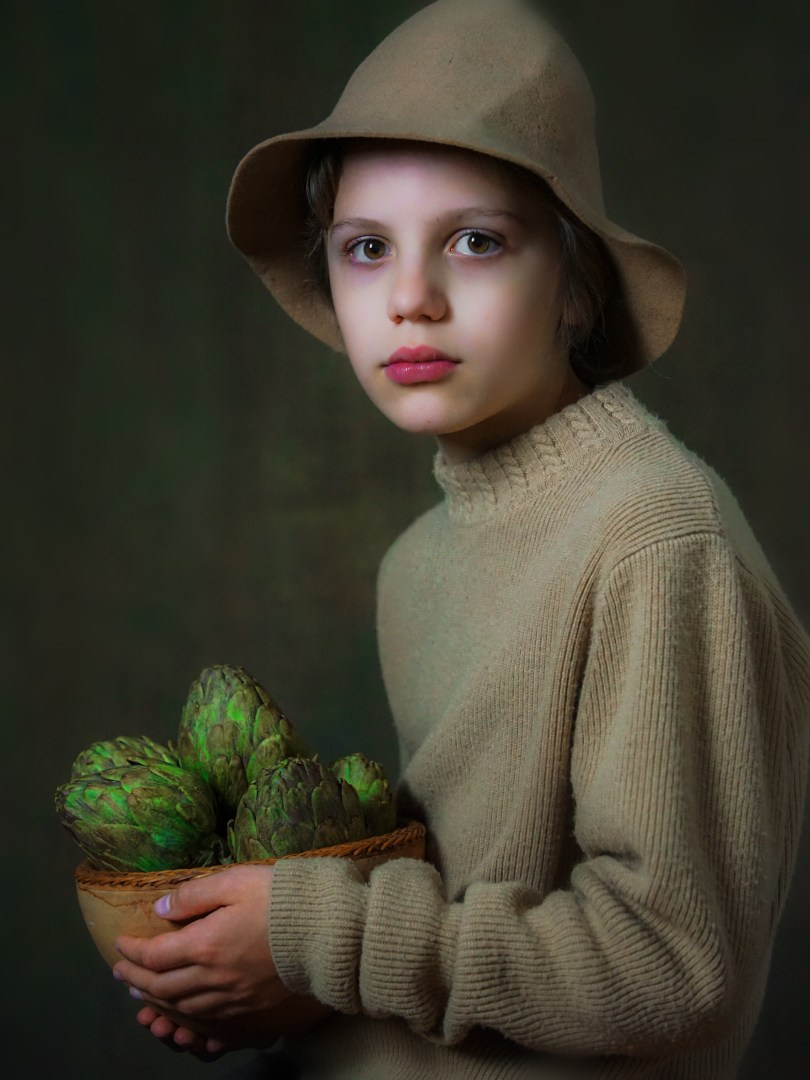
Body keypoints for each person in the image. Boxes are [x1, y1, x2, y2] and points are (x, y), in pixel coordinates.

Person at [112, 1, 810, 1077]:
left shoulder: (656, 537)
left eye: (477, 242)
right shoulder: (416, 562)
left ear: (577, 285)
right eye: (364, 248)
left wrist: (313, 938)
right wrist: (278, 988)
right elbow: (452, 932)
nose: (410, 299)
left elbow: (674, 967)